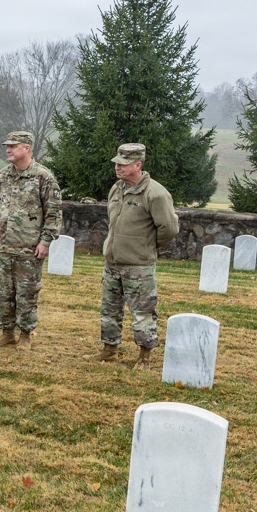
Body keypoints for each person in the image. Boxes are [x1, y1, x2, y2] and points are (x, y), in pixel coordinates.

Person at [90, 143, 179, 370]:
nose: (118, 167)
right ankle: (109, 350)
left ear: (138, 165)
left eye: (124, 164)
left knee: (142, 313)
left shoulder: (155, 194)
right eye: (117, 163)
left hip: (138, 266)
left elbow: (168, 229)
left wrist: (146, 247)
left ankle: (145, 357)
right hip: (112, 263)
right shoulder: (117, 189)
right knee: (109, 309)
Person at [0, 131, 62, 349]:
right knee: (2, 293)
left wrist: (45, 241)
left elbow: (53, 213)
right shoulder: (2, 176)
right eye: (7, 146)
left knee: (26, 293)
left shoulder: (43, 177)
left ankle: (25, 335)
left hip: (28, 248)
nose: (8, 149)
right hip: (3, 246)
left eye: (13, 146)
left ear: (26, 148)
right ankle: (6, 332)